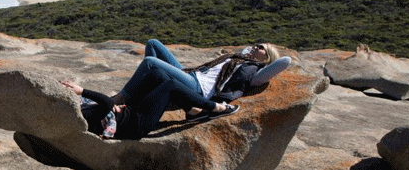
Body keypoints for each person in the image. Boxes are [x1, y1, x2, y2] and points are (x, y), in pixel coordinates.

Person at [61, 39, 291, 139]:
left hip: (197, 89)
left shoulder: (254, 70)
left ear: (267, 57)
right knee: (152, 44)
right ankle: (149, 91)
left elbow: (283, 63)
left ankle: (120, 99)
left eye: (261, 47)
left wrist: (267, 60)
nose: (255, 47)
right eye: (255, 44)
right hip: (190, 75)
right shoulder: (237, 58)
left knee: (151, 64)